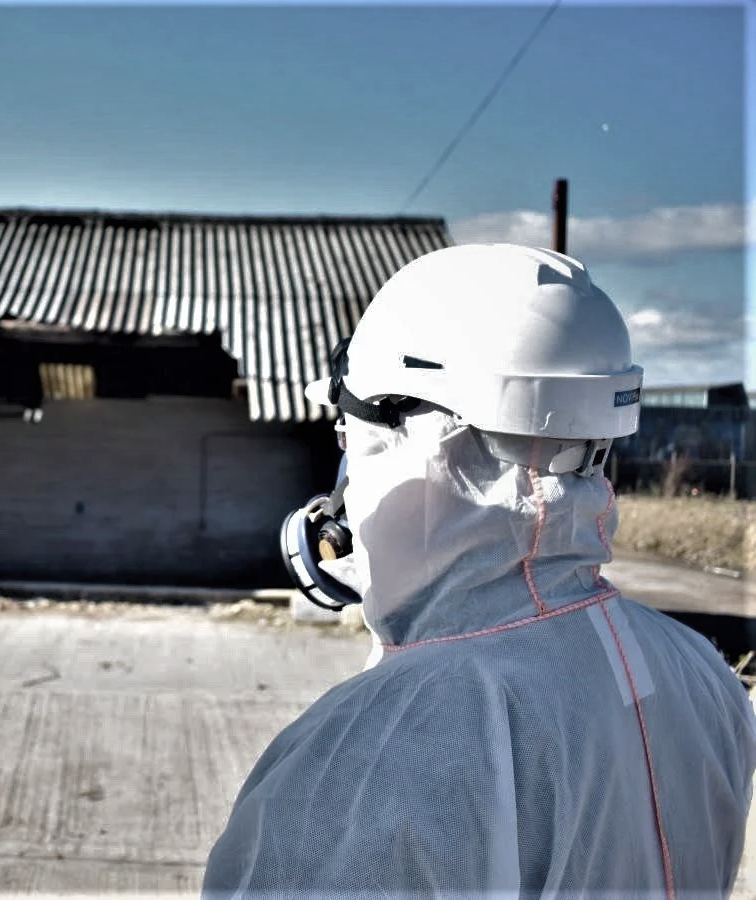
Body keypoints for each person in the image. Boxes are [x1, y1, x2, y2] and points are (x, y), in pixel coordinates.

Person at [206, 243, 756, 897]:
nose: (345, 491)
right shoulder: (700, 673)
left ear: (419, 439)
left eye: (350, 440)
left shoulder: (378, 747)